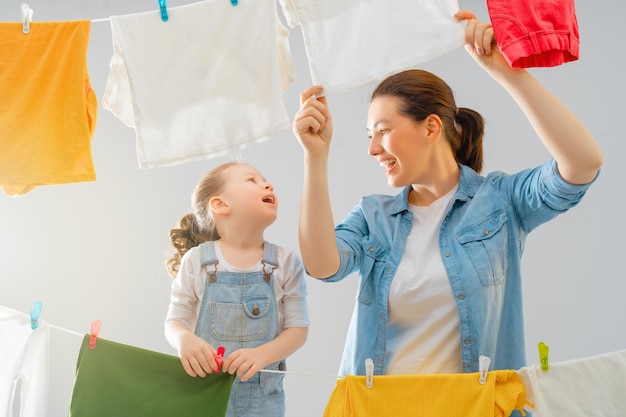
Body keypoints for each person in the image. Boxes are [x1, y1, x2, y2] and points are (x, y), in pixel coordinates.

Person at [292, 9, 602, 382]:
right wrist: (315, 157)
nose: (373, 149)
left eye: (383, 131)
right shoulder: (373, 217)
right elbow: (322, 265)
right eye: (369, 136)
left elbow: (582, 164)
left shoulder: (500, 203)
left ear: (431, 127)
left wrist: (508, 74)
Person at [164, 161, 309, 417]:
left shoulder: (286, 262)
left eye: (265, 179)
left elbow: (298, 330)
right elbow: (175, 321)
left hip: (264, 403)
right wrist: (183, 340)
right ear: (220, 204)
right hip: (203, 399)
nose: (268, 184)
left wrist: (263, 355)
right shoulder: (196, 261)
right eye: (252, 180)